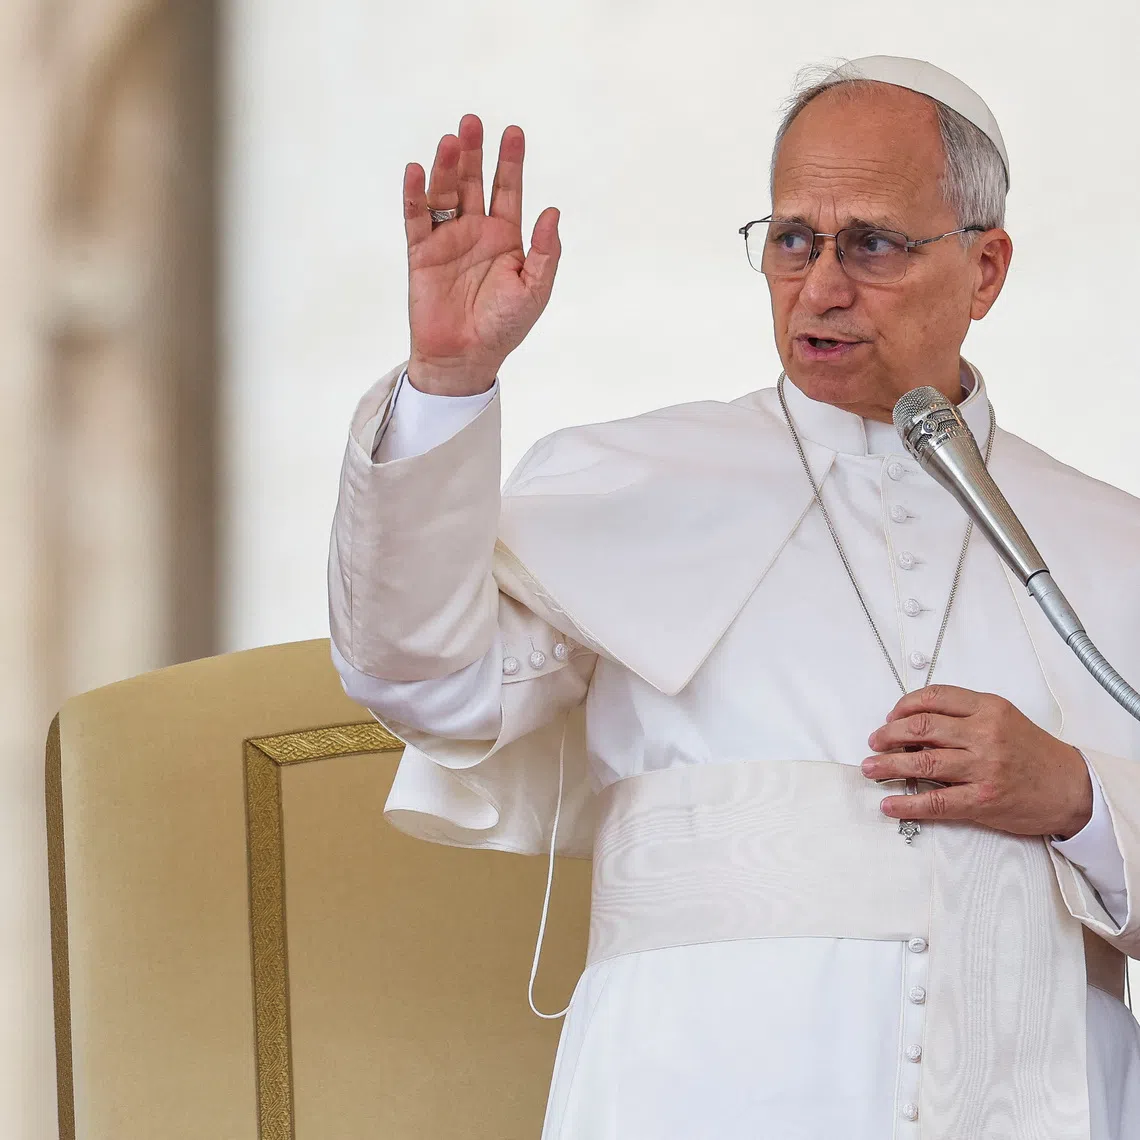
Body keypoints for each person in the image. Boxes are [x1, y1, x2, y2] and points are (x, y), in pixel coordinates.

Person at [327, 55, 1140, 1139]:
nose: (822, 288)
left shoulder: (1110, 543)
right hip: (694, 1088)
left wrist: (1081, 798)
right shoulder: (631, 482)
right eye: (794, 239)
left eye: (874, 244)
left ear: (985, 270)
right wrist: (447, 383)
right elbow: (423, 685)